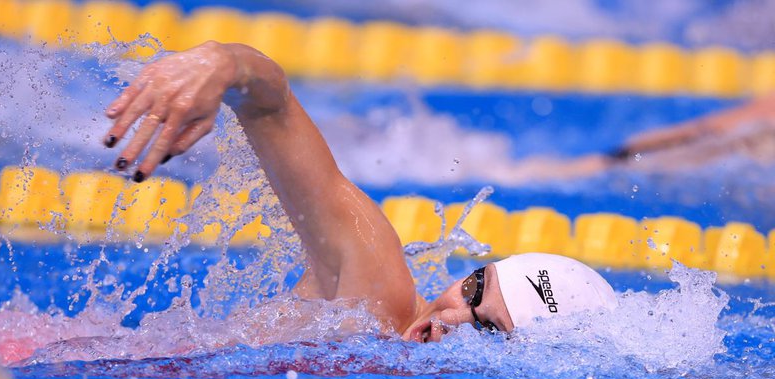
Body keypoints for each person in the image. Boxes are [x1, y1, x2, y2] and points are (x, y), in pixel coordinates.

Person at [102, 41, 617, 342]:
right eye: (474, 289)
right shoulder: (379, 296)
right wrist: (222, 64)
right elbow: (271, 107)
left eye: (486, 330)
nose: (449, 319)